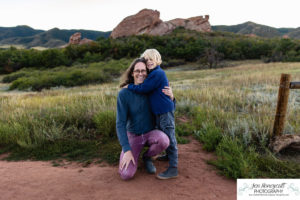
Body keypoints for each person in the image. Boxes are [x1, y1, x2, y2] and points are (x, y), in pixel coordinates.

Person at [116, 57, 174, 180]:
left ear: (148, 73)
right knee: (126, 175)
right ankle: (132, 153)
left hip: (150, 133)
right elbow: (120, 123)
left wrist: (172, 98)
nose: (141, 74)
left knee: (164, 140)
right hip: (133, 135)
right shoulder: (124, 94)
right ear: (132, 73)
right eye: (137, 71)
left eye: (144, 71)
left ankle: (147, 157)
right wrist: (126, 150)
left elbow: (168, 109)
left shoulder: (153, 90)